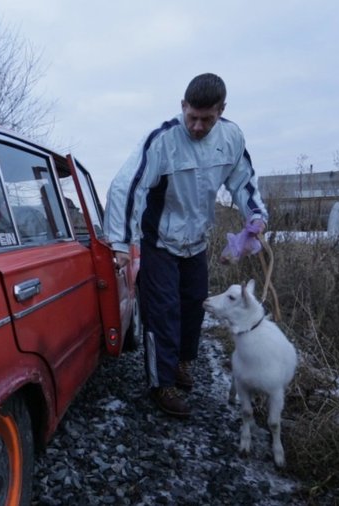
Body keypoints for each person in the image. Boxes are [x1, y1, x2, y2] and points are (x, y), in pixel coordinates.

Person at [104, 73, 268, 418]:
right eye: (191, 117)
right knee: (162, 311)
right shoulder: (162, 141)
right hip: (160, 241)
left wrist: (255, 217)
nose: (196, 126)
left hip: (196, 240)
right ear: (183, 107)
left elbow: (244, 182)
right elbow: (126, 187)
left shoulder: (231, 138)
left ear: (221, 111)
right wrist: (121, 242)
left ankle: (180, 363)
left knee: (195, 306)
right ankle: (160, 383)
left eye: (206, 119)